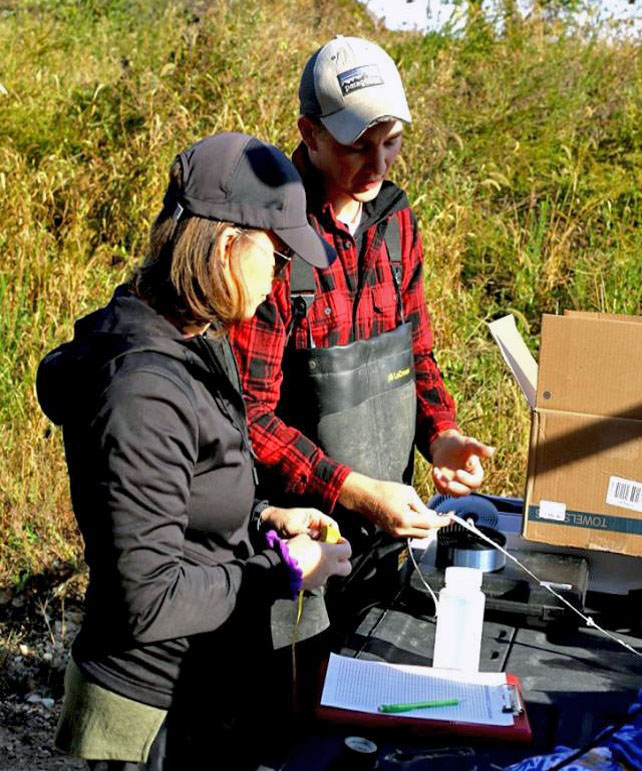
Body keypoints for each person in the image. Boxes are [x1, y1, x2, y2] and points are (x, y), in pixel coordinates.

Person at [36, 132, 352, 771]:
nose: (283, 277)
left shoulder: (194, 340)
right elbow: (148, 599)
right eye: (277, 254)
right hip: (152, 709)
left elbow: (192, 485)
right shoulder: (142, 391)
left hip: (201, 682)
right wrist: (292, 570)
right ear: (228, 246)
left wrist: (265, 517)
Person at [230, 36, 495, 639]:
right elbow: (247, 417)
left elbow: (416, 352)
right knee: (298, 714)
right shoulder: (269, 239)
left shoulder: (396, 222)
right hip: (298, 542)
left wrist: (443, 436)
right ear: (311, 132)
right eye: (358, 147)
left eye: (391, 143)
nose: (378, 166)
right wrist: (351, 490)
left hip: (386, 534)